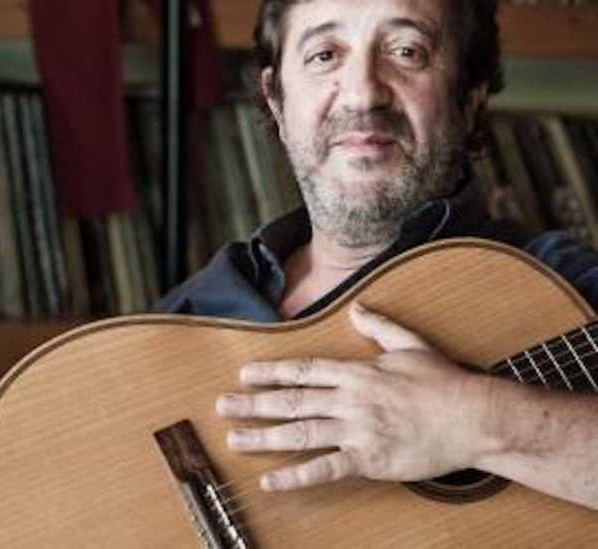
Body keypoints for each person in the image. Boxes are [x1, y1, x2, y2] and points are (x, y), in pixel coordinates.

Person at [156, 0, 598, 510]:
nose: (363, 93)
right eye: (325, 55)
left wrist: (477, 420)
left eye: (406, 51)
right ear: (277, 101)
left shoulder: (561, 287)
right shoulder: (183, 315)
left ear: (467, 100)